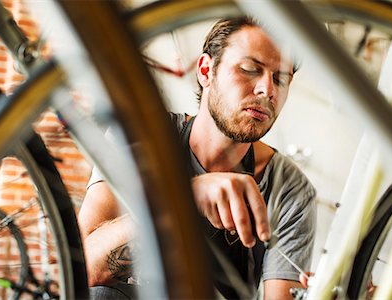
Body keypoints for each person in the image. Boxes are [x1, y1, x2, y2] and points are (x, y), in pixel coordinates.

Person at [79, 16, 316, 300]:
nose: (268, 90)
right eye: (250, 69)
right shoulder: (141, 137)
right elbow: (84, 271)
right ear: (206, 70)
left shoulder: (290, 190)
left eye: (281, 79)